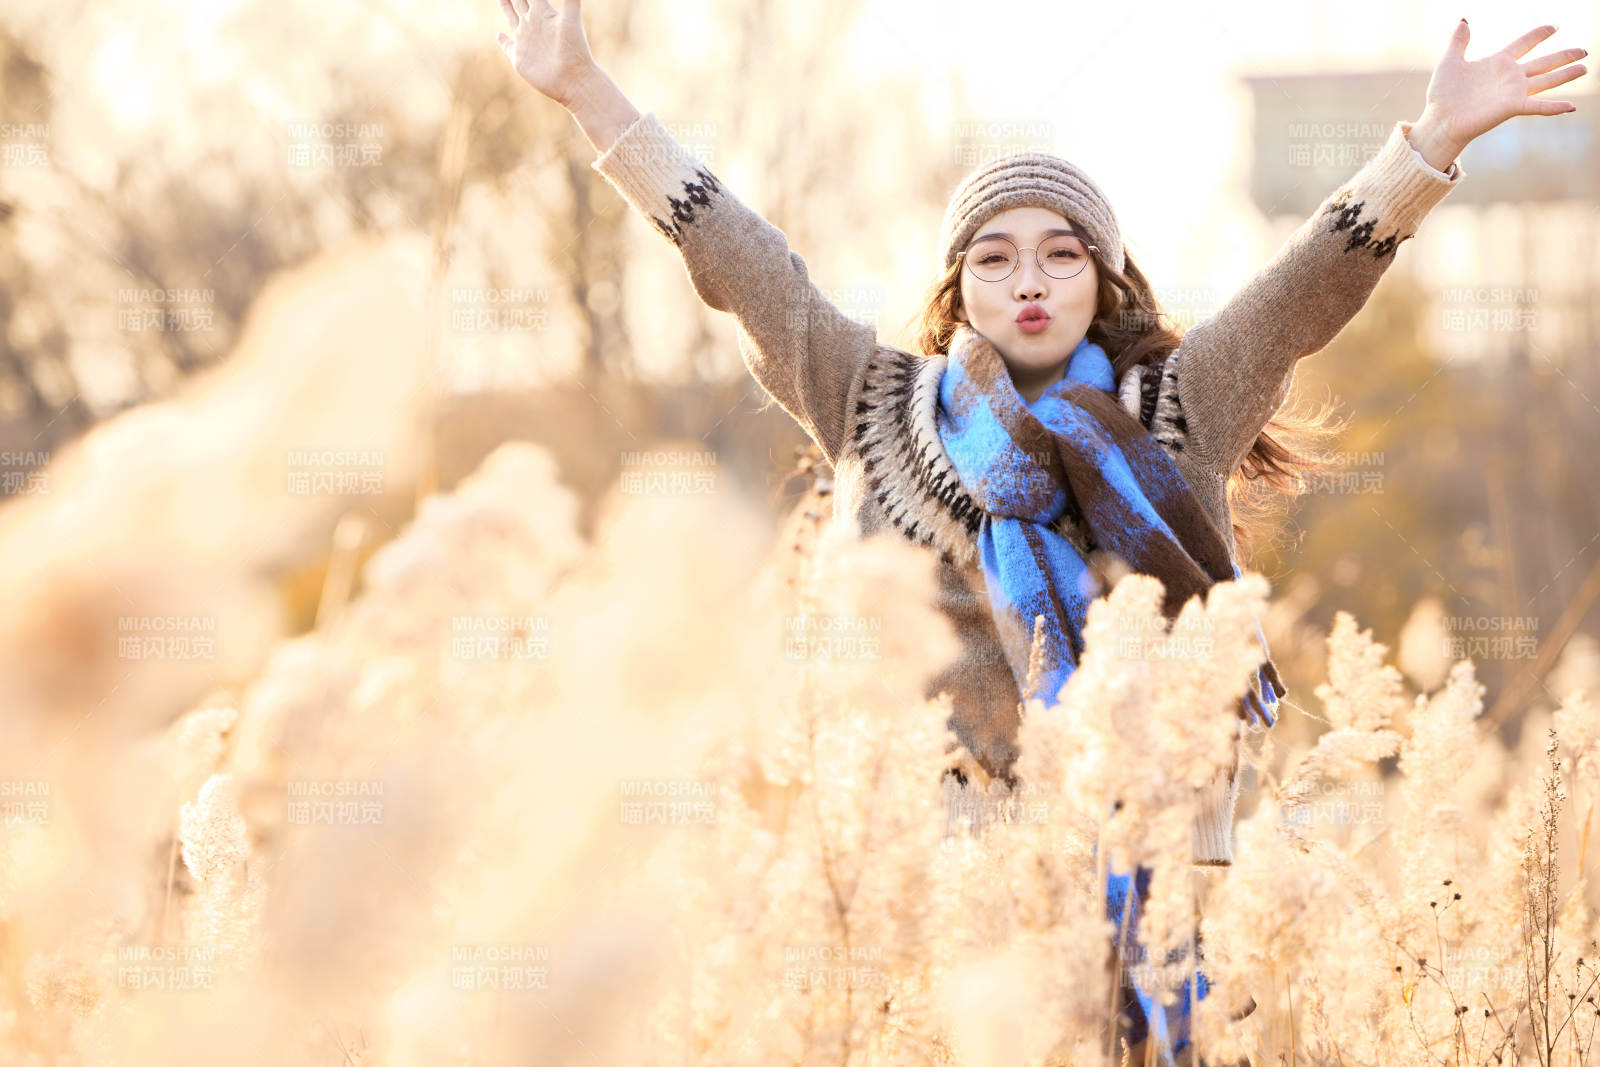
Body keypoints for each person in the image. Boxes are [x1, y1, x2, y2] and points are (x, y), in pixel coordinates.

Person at [494, 4, 1588, 1061]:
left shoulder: (1184, 400)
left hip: (1161, 829)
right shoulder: (869, 401)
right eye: (995, 256)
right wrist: (589, 92)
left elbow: (1306, 288)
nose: (1028, 280)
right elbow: (741, 265)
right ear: (956, 286)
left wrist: (1432, 139)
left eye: (1062, 254)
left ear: (1104, 278)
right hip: (953, 850)